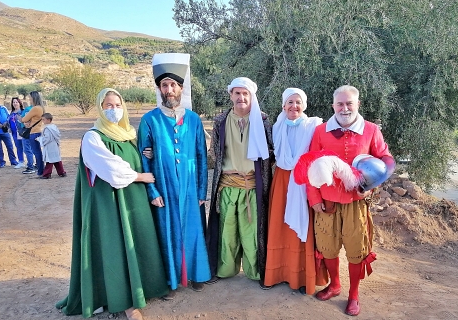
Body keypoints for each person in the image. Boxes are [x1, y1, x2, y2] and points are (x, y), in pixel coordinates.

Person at [56, 88, 168, 320]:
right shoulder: (93, 137)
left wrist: (146, 153)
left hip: (133, 201)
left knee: (137, 242)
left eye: (117, 105)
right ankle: (123, 301)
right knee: (114, 247)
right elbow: (111, 169)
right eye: (108, 105)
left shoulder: (129, 134)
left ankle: (141, 291)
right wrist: (141, 177)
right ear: (100, 107)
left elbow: (137, 157)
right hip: (108, 204)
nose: (114, 109)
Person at [302, 85, 395, 316]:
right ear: (333, 106)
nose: (345, 108)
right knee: (328, 248)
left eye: (349, 103)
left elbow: (387, 160)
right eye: (340, 104)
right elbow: (309, 165)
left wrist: (372, 186)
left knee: (356, 250)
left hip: (356, 203)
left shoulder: (372, 130)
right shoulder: (321, 131)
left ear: (358, 105)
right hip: (327, 202)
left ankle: (353, 294)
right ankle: (335, 285)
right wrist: (314, 198)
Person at [138, 53, 210, 298]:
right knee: (166, 230)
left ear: (181, 88)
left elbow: (201, 155)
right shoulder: (149, 120)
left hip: (190, 186)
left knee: (193, 229)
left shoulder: (193, 119)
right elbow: (143, 157)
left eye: (173, 85)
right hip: (164, 184)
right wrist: (152, 191)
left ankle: (196, 274)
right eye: (164, 85)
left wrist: (202, 190)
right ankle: (169, 279)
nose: (169, 90)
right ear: (159, 89)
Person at [206, 77, 273, 289]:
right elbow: (214, 153)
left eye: (245, 94)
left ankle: (256, 272)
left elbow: (271, 152)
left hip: (252, 187)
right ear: (231, 95)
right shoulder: (220, 121)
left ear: (252, 96)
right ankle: (225, 270)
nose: (241, 97)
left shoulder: (263, 121)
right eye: (237, 93)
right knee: (227, 232)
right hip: (227, 186)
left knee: (252, 232)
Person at [264, 88, 327, 295]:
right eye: (290, 102)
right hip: (282, 180)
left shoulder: (313, 126)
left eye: (298, 102)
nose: (294, 106)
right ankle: (276, 274)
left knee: (302, 228)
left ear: (304, 105)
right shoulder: (276, 127)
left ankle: (301, 277)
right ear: (283, 105)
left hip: (302, 180)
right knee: (279, 226)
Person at [17, 91, 44, 176]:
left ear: (33, 98)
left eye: (30, 97)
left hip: (33, 132)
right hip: (38, 131)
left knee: (36, 152)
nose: (29, 99)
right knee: (38, 152)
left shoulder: (35, 108)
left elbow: (24, 119)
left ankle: (40, 171)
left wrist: (19, 117)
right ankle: (41, 170)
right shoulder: (41, 108)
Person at [37, 113, 66, 179]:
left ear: (48, 120)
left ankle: (47, 174)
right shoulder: (54, 127)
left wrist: (40, 139)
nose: (42, 121)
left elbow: (47, 138)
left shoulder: (48, 128)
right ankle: (62, 172)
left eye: (43, 119)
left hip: (50, 146)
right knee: (56, 159)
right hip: (54, 145)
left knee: (49, 160)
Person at [7, 97, 25, 169]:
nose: (15, 103)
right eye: (13, 102)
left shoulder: (23, 112)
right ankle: (21, 161)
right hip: (14, 133)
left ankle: (32, 161)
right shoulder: (11, 113)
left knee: (27, 147)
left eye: (16, 102)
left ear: (19, 103)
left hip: (22, 132)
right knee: (18, 147)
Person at [19, 100, 36, 174]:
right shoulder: (39, 108)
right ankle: (38, 164)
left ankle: (30, 166)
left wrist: (20, 119)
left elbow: (24, 119)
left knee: (27, 149)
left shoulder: (28, 109)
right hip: (35, 131)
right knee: (35, 149)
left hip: (27, 131)